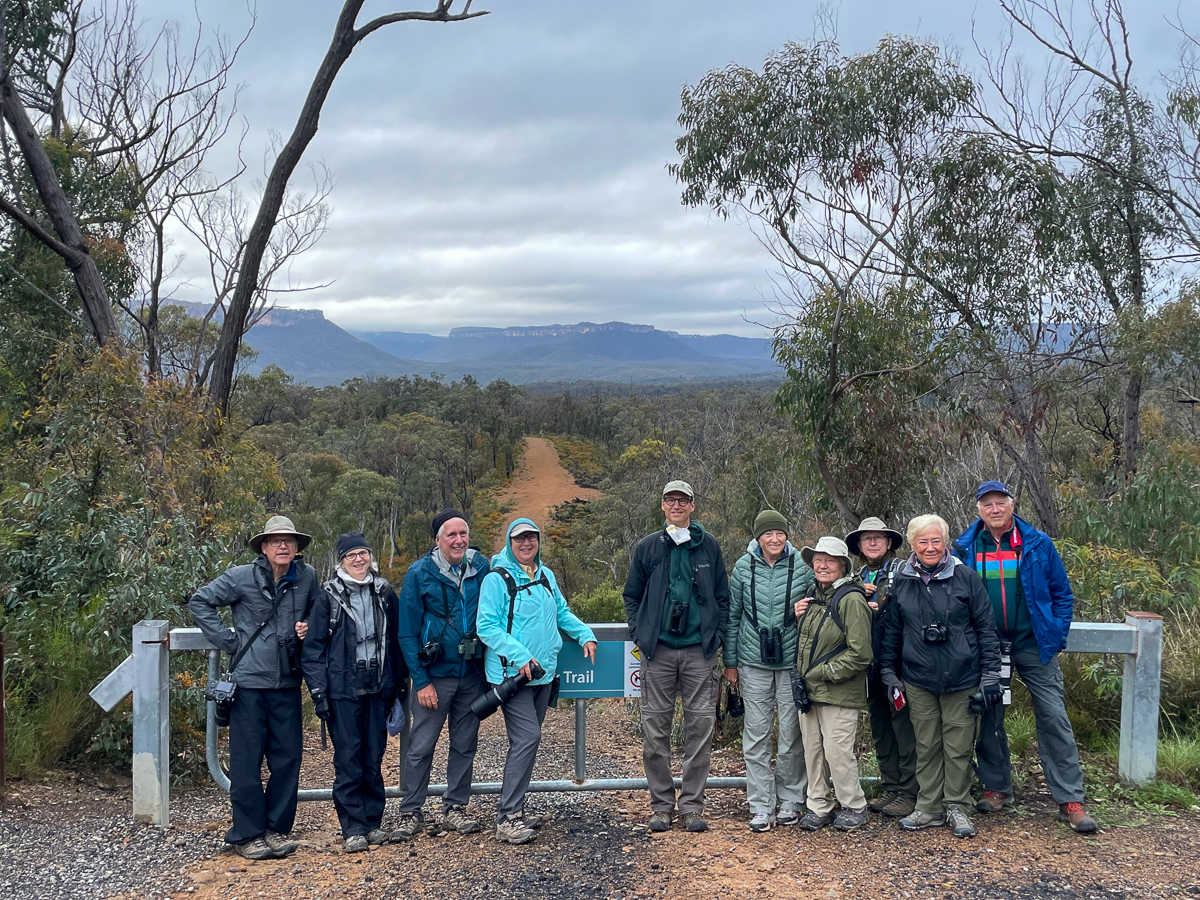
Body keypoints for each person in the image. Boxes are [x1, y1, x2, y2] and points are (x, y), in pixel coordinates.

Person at [953, 481, 1098, 833]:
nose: (995, 509)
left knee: (1053, 715)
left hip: (1034, 643)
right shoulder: (965, 547)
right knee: (989, 714)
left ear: (1012, 504)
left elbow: (1062, 594)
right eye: (987, 504)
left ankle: (1069, 800)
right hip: (988, 646)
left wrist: (1055, 633)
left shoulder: (1036, 543)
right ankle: (997, 787)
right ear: (978, 510)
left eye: (1000, 502)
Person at [188, 515, 322, 860]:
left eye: (289, 541)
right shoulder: (240, 577)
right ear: (263, 547)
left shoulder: (307, 578)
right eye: (276, 541)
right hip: (248, 684)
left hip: (288, 682)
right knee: (246, 763)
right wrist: (229, 641)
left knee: (288, 759)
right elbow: (200, 602)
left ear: (296, 547)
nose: (283, 546)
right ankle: (247, 834)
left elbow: (317, 613)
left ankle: (276, 830)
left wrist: (308, 627)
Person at [477, 518, 597, 844]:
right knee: (528, 737)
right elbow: (487, 627)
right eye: (519, 539)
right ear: (509, 542)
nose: (526, 544)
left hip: (543, 675)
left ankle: (516, 809)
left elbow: (561, 612)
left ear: (538, 541)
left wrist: (584, 635)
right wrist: (520, 656)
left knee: (527, 743)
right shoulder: (496, 579)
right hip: (512, 677)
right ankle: (507, 818)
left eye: (531, 538)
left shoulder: (546, 575)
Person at [880, 514, 1001, 838]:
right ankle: (929, 806)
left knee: (959, 746)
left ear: (945, 542)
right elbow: (893, 630)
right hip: (918, 678)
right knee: (926, 744)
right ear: (912, 544)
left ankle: (957, 806)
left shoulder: (965, 578)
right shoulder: (902, 579)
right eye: (923, 541)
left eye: (936, 541)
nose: (930, 547)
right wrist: (889, 672)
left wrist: (991, 676)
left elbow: (985, 630)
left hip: (962, 676)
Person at [623, 479, 729, 833]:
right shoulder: (649, 547)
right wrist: (641, 633)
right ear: (663, 506)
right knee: (656, 732)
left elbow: (722, 597)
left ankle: (692, 806)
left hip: (700, 652)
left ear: (693, 506)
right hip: (660, 653)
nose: (677, 505)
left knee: (701, 728)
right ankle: (661, 806)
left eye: (684, 500)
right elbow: (632, 596)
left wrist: (715, 638)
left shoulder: (708, 546)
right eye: (671, 499)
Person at [301, 533, 407, 853]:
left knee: (373, 755)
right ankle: (353, 827)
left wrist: (399, 686)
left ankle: (373, 822)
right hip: (342, 688)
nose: (358, 559)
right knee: (348, 758)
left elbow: (398, 641)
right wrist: (319, 692)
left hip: (378, 684)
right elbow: (313, 648)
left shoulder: (384, 592)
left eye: (362, 553)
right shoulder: (328, 597)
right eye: (351, 555)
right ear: (341, 561)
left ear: (370, 556)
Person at [393, 509, 491, 840]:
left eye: (463, 533)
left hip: (472, 674)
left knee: (465, 744)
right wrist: (420, 681)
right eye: (451, 535)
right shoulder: (419, 574)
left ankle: (455, 808)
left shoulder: (482, 567)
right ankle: (410, 810)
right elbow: (406, 633)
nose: (459, 540)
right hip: (434, 677)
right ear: (437, 540)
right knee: (421, 745)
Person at [724, 509, 814, 831]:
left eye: (780, 533)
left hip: (791, 662)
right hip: (752, 662)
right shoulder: (743, 567)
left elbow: (820, 605)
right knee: (756, 735)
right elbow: (733, 617)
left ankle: (790, 799)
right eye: (768, 534)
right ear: (758, 536)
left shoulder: (802, 567)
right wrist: (730, 664)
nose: (774, 539)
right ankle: (761, 805)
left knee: (792, 733)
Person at [791, 536, 873, 832]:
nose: (823, 565)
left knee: (838, 752)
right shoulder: (813, 597)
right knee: (812, 751)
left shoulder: (852, 599)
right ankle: (818, 805)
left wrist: (824, 672)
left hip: (838, 692)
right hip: (810, 692)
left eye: (830, 560)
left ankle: (854, 805)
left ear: (843, 565)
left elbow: (861, 653)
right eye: (818, 560)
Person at [846, 516, 918, 819]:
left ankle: (909, 791)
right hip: (868, 664)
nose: (873, 543)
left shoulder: (904, 572)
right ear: (860, 546)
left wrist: (883, 606)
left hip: (899, 662)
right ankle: (890, 787)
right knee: (880, 727)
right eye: (867, 539)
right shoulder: (855, 577)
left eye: (878, 538)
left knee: (904, 727)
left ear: (889, 543)